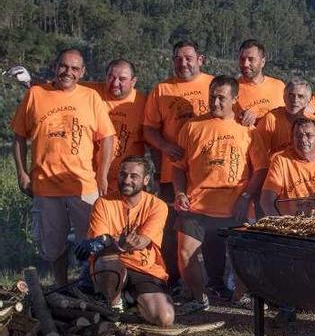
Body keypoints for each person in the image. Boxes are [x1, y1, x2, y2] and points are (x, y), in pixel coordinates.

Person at [11, 48, 116, 285]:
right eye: (64, 66)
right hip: (45, 186)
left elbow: (107, 137)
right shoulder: (35, 95)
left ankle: (96, 288)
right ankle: (61, 288)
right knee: (53, 245)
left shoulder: (90, 97)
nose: (68, 72)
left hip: (84, 185)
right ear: (54, 66)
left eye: (75, 68)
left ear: (82, 72)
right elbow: (19, 136)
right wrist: (22, 174)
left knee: (93, 240)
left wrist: (102, 175)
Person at [172, 76, 268, 312]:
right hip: (196, 205)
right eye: (212, 96)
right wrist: (180, 193)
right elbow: (178, 167)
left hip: (234, 204)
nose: (214, 102)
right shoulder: (192, 127)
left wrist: (245, 198)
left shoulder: (247, 131)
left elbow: (260, 169)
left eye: (221, 98)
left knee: (245, 254)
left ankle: (240, 295)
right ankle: (198, 297)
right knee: (185, 251)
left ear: (235, 99)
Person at [143, 40, 215, 284]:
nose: (183, 63)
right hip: (171, 173)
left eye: (188, 57)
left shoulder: (213, 84)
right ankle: (173, 280)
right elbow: (149, 130)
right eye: (178, 58)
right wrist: (165, 147)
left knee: (211, 231)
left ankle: (212, 283)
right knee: (171, 231)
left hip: (209, 175)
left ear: (200, 59)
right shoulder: (161, 90)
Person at [78, 156, 175, 327]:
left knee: (165, 319)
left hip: (144, 267)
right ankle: (114, 306)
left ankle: (130, 298)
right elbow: (98, 247)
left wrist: (109, 240)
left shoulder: (157, 206)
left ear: (145, 180)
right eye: (123, 175)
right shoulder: (103, 203)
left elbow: (140, 242)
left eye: (134, 176)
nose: (127, 180)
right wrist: (111, 242)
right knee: (108, 261)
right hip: (111, 265)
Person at [82, 59, 147, 196]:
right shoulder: (90, 92)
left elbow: (152, 139)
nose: (115, 83)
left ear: (133, 81)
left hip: (126, 182)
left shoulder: (144, 104)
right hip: (90, 180)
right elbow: (60, 87)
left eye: (122, 79)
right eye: (111, 77)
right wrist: (29, 80)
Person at [260, 116, 315, 215]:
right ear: (292, 139)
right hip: (286, 225)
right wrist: (277, 226)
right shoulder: (281, 160)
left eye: (309, 135)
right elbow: (266, 201)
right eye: (298, 135)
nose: (303, 139)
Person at [258, 76, 315, 154]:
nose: (295, 100)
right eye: (291, 95)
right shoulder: (270, 119)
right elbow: (260, 153)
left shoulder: (313, 122)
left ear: (308, 101)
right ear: (284, 98)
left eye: (300, 96)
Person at [236, 39, 285, 127]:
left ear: (262, 62)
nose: (245, 64)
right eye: (242, 59)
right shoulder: (232, 89)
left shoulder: (279, 86)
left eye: (251, 59)